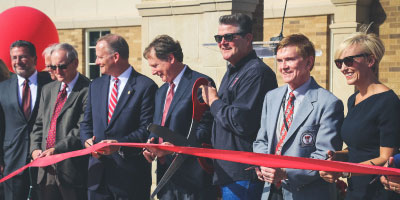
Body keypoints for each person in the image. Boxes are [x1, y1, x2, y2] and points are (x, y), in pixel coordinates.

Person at [253, 34, 344, 200]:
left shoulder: (328, 103)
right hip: (270, 191)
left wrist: (286, 172)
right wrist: (263, 163)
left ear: (308, 62)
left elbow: (324, 155)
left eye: (289, 59)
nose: (283, 67)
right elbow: (261, 141)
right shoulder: (271, 97)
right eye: (279, 60)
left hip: (307, 193)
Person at [201, 13, 278, 199]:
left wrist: (213, 101)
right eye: (219, 38)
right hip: (226, 171)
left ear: (248, 38)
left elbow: (241, 121)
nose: (222, 43)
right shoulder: (233, 71)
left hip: (244, 173)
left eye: (229, 37)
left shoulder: (257, 73)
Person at [319, 32, 400, 200]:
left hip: (378, 192)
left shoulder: (388, 102)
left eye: (348, 61)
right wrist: (337, 156)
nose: (343, 68)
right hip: (355, 189)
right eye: (339, 63)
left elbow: (386, 157)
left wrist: (345, 170)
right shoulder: (353, 99)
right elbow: (361, 147)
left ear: (370, 61)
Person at [80, 34, 158, 200]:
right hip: (98, 179)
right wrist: (87, 141)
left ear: (115, 57)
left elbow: (146, 128)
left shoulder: (146, 86)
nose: (96, 62)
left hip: (129, 179)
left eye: (100, 57)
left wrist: (119, 145)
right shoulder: (96, 85)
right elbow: (86, 123)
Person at [142, 35, 217, 200]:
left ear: (170, 58)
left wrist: (176, 145)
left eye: (155, 65)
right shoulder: (161, 92)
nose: (153, 71)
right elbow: (158, 125)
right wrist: (151, 145)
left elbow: (206, 129)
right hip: (166, 180)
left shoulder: (200, 83)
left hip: (193, 179)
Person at [30, 43, 90, 200]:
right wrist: (35, 149)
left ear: (75, 63)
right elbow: (39, 125)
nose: (57, 72)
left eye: (62, 66)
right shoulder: (48, 89)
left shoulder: (88, 89)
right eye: (53, 67)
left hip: (71, 169)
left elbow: (81, 128)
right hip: (46, 170)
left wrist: (57, 149)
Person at [0, 40, 52, 200]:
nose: (18, 62)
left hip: (45, 160)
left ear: (35, 59)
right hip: (12, 161)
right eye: (14, 57)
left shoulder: (51, 83)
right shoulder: (3, 88)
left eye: (23, 57)